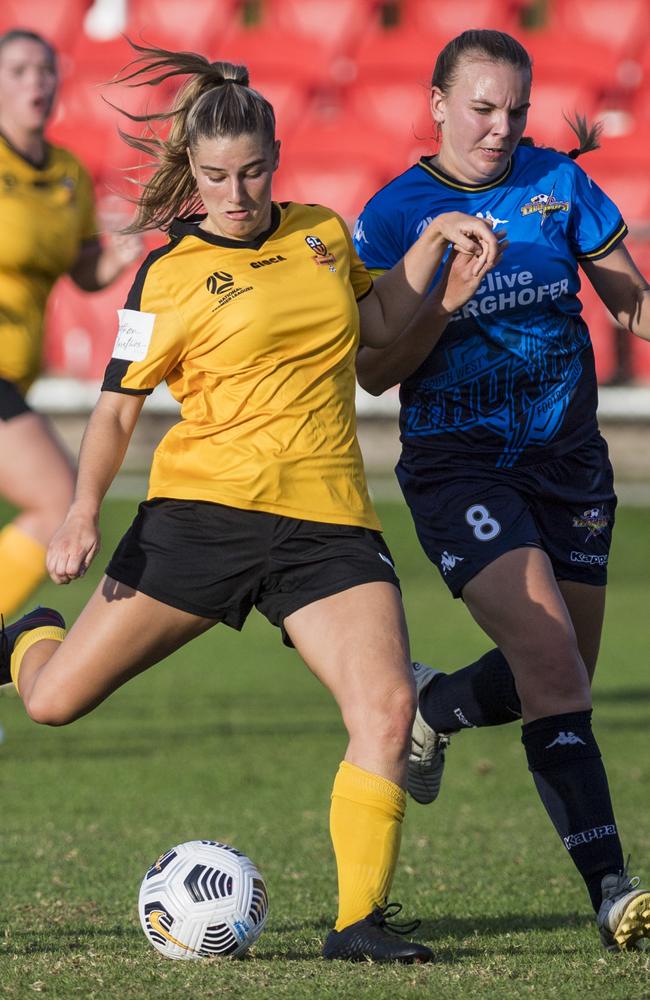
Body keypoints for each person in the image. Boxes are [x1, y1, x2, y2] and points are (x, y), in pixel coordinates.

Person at [0, 42, 501, 963]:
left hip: (329, 523)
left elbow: (381, 338)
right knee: (54, 703)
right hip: (198, 518)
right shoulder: (168, 273)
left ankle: (359, 925)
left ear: (277, 159)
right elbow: (116, 411)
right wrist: (79, 512)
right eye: (217, 176)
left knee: (388, 710)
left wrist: (435, 269)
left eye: (253, 171)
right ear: (193, 170)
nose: (236, 193)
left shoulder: (322, 234)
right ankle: (26, 634)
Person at [354, 28, 650, 952]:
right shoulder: (398, 214)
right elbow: (374, 369)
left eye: (516, 110)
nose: (500, 127)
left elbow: (630, 300)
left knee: (558, 678)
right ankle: (614, 893)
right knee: (554, 663)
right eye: (482, 108)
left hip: (570, 465)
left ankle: (432, 708)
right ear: (438, 104)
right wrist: (443, 299)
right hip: (459, 468)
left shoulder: (558, 184)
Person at [0, 28, 142, 619]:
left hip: (17, 373)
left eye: (46, 69)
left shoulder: (67, 173)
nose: (37, 81)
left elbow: (82, 267)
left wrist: (117, 254)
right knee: (59, 500)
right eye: (19, 70)